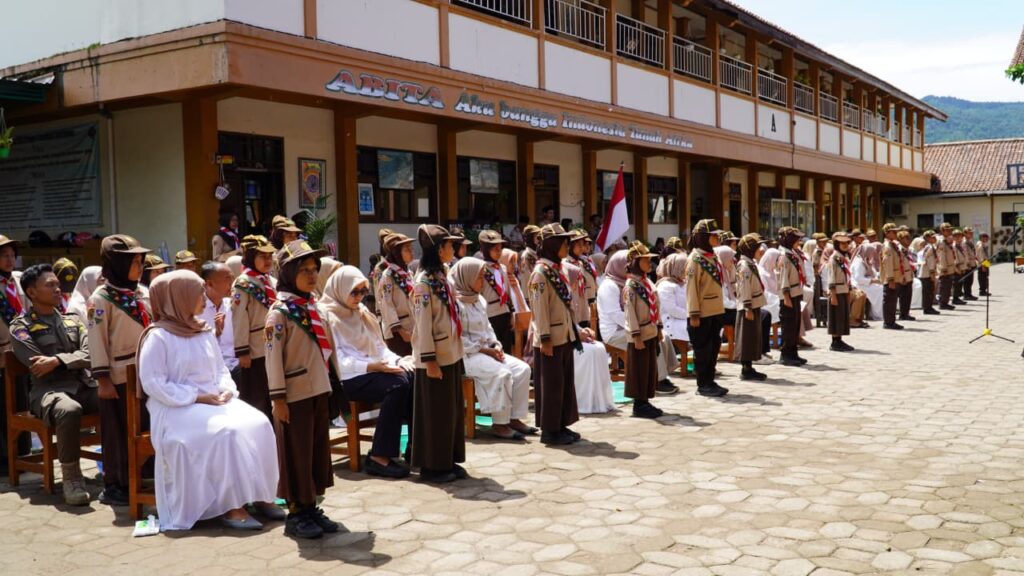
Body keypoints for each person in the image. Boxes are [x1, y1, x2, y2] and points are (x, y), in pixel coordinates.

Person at [137, 271, 279, 531]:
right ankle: (231, 507)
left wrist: (226, 390)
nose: (204, 298)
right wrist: (197, 396)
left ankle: (261, 495)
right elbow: (153, 383)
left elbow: (220, 369)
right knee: (227, 432)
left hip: (213, 401)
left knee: (259, 422)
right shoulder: (158, 337)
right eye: (197, 293)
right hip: (176, 408)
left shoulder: (202, 331)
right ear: (179, 298)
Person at [265, 240, 338, 539]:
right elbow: (272, 359)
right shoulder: (280, 313)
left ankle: (311, 506)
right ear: (288, 273)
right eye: (304, 270)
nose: (312, 275)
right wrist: (278, 398)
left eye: (314, 269)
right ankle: (296, 512)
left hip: (318, 389)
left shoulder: (312, 307)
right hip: (294, 394)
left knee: (316, 451)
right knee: (297, 453)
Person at [10, 264, 96, 506]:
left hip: (82, 386)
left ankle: (120, 468)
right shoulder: (21, 326)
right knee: (69, 409)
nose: (58, 289)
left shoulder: (73, 320)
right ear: (32, 292)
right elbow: (37, 364)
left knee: (114, 397)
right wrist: (72, 360)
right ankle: (72, 477)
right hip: (48, 392)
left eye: (58, 284)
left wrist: (57, 360)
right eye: (50, 285)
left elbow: (91, 354)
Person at [322, 266, 413, 479]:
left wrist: (399, 360)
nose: (359, 297)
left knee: (412, 375)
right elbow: (337, 362)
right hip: (347, 379)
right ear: (340, 289)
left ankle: (414, 446)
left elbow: (379, 347)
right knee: (398, 384)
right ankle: (379, 456)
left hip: (371, 370)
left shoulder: (361, 312)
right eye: (354, 292)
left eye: (363, 291)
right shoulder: (327, 315)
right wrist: (372, 366)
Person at [87, 234, 151, 506]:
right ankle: (118, 483)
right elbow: (97, 341)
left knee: (145, 427)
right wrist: (103, 379)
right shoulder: (100, 299)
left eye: (140, 261)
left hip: (147, 373)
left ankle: (144, 477)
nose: (140, 267)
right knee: (119, 431)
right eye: (134, 262)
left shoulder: (143, 293)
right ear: (117, 264)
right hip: (118, 377)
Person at [450, 258, 534, 440]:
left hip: (486, 352)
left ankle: (513, 418)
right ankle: (499, 424)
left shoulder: (479, 300)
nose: (482, 281)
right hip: (467, 356)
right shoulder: (454, 304)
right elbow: (457, 339)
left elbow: (488, 329)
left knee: (522, 369)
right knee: (502, 373)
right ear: (467, 277)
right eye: (479, 277)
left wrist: (496, 345)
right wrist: (485, 350)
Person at [411, 225, 468, 482]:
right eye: (449, 245)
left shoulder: (442, 275)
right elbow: (423, 326)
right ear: (438, 250)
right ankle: (433, 466)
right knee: (436, 413)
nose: (452, 249)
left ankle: (448, 460)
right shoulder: (423, 284)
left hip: (451, 352)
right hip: (435, 357)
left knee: (451, 411)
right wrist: (429, 360)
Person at [530, 224, 593, 445]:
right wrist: (545, 339)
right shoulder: (540, 274)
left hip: (565, 335)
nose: (567, 246)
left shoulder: (559, 269)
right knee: (551, 386)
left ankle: (561, 424)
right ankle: (550, 430)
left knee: (564, 383)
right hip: (551, 339)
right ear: (552, 245)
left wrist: (575, 330)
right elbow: (540, 311)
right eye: (563, 242)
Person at [231, 235, 277, 423]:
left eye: (270, 256)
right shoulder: (243, 283)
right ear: (250, 257)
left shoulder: (270, 280)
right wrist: (243, 351)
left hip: (275, 345)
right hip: (256, 350)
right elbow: (239, 318)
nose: (268, 260)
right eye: (262, 256)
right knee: (258, 397)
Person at [621, 242, 664, 418]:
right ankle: (639, 404)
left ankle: (645, 400)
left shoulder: (646, 282)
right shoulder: (631, 286)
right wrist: (636, 336)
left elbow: (656, 305)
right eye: (645, 260)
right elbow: (630, 313)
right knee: (639, 369)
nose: (649, 263)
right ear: (635, 263)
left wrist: (659, 327)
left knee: (649, 368)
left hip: (650, 330)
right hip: (640, 334)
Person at [687, 219, 729, 396]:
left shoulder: (712, 256)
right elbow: (691, 289)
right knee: (703, 350)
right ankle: (703, 384)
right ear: (703, 237)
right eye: (713, 235)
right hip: (702, 313)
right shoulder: (695, 260)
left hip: (716, 310)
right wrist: (694, 314)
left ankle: (710, 380)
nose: (717, 238)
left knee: (714, 348)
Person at [732, 234, 768, 380]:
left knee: (752, 336)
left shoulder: (750, 263)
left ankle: (749, 366)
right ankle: (746, 369)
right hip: (749, 306)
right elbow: (744, 287)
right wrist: (747, 307)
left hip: (754, 304)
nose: (760, 250)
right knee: (747, 337)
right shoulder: (745, 266)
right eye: (757, 247)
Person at [198, 262, 240, 383]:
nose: (232, 283)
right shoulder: (197, 310)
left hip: (236, 366)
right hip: (208, 370)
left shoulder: (232, 306)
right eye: (227, 279)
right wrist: (216, 333)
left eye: (232, 278)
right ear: (209, 283)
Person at [376, 233, 416, 356]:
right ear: (397, 253)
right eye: (407, 249)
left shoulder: (408, 273)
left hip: (412, 328)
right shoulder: (388, 276)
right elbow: (387, 305)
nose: (411, 252)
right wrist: (400, 331)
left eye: (411, 248)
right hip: (398, 333)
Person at [477, 230, 515, 353]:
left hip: (505, 312)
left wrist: (512, 312)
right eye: (495, 249)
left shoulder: (502, 268)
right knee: (495, 350)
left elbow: (508, 292)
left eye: (500, 248)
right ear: (486, 250)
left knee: (507, 350)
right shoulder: (480, 270)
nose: (499, 252)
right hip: (490, 315)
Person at [776, 226, 809, 366]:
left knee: (795, 325)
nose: (799, 242)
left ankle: (793, 353)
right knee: (788, 325)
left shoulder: (792, 253)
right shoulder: (784, 256)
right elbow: (783, 277)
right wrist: (786, 296)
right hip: (789, 295)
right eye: (796, 239)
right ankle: (786, 354)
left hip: (796, 292)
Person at [823, 232, 855, 352]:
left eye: (847, 242)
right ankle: (835, 341)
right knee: (836, 316)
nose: (845, 245)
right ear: (837, 244)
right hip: (836, 291)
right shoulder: (834, 259)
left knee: (842, 316)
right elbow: (831, 278)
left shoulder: (842, 257)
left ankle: (839, 339)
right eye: (842, 243)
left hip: (843, 290)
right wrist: (833, 295)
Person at [565, 229, 599, 328]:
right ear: (570, 246)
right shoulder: (565, 264)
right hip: (573, 308)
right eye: (579, 245)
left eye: (583, 244)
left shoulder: (580, 263)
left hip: (583, 307)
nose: (582, 248)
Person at [656, 252, 689, 350]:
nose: (687, 269)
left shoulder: (682, 283)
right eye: (684, 266)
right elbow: (672, 310)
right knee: (700, 328)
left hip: (683, 319)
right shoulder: (665, 286)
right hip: (671, 322)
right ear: (677, 268)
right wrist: (691, 315)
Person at [879, 224, 904, 330]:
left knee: (893, 300)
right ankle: (888, 322)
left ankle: (891, 321)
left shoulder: (892, 244)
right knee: (889, 300)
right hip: (891, 277)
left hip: (895, 276)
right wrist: (890, 279)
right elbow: (888, 263)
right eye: (893, 232)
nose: (896, 233)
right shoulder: (887, 246)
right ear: (887, 233)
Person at [851, 243, 884, 321]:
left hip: (866, 283)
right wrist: (873, 281)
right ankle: (877, 314)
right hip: (858, 285)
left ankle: (877, 313)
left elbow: (873, 273)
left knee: (882, 288)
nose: (872, 254)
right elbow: (858, 278)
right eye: (871, 252)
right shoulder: (858, 262)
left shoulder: (865, 260)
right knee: (880, 290)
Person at [916, 231, 940, 315]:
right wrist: (932, 273)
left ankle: (928, 307)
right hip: (927, 273)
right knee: (928, 292)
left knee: (929, 291)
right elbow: (930, 261)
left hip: (926, 272)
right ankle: (927, 308)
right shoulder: (929, 247)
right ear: (928, 238)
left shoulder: (928, 247)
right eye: (933, 237)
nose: (935, 238)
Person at [936, 223, 957, 310]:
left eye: (950, 229)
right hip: (945, 268)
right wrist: (944, 268)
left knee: (948, 286)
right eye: (947, 230)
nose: (950, 231)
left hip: (950, 267)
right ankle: (942, 303)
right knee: (944, 286)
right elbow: (942, 256)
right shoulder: (942, 242)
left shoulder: (947, 241)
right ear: (942, 231)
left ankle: (945, 302)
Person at [896, 231, 916, 322]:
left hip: (909, 274)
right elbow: (899, 263)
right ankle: (903, 314)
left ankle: (906, 313)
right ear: (900, 239)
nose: (909, 239)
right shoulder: (900, 249)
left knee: (908, 295)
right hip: (904, 275)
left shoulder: (907, 249)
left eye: (909, 237)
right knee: (904, 295)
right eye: (906, 238)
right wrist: (902, 276)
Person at [519, 225, 542, 290]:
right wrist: (536, 295)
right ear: (530, 238)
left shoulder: (536, 254)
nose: (540, 239)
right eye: (537, 236)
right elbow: (529, 279)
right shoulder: (527, 256)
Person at [951, 228, 968, 306]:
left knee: (960, 283)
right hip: (957, 267)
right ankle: (955, 298)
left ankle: (957, 297)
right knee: (956, 283)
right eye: (956, 236)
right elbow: (954, 258)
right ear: (953, 237)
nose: (959, 237)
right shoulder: (954, 246)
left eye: (960, 236)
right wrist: (956, 268)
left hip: (962, 266)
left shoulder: (960, 245)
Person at [962, 227, 979, 301]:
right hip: (968, 264)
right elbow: (965, 254)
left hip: (972, 262)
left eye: (972, 233)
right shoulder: (964, 242)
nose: (971, 234)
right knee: (967, 280)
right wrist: (967, 263)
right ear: (965, 233)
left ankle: (969, 294)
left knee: (970, 280)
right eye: (970, 233)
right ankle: (966, 295)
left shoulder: (970, 241)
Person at [976, 232, 992, 297]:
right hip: (982, 263)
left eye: (987, 237)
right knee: (982, 277)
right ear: (981, 238)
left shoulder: (984, 244)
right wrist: (982, 266)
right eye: (985, 237)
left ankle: (984, 290)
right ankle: (982, 291)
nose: (986, 238)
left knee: (986, 276)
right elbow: (980, 256)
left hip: (986, 262)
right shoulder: (980, 245)